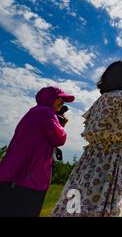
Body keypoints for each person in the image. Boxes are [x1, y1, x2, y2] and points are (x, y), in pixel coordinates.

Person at [51, 60, 122, 217]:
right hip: (111, 160)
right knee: (104, 201)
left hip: (89, 160)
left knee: (78, 202)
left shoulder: (100, 101)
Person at [0, 86, 74, 217]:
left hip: (12, 173)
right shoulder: (47, 113)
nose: (62, 102)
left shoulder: (32, 112)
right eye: (59, 98)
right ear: (49, 98)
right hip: (32, 177)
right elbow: (59, 139)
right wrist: (62, 126)